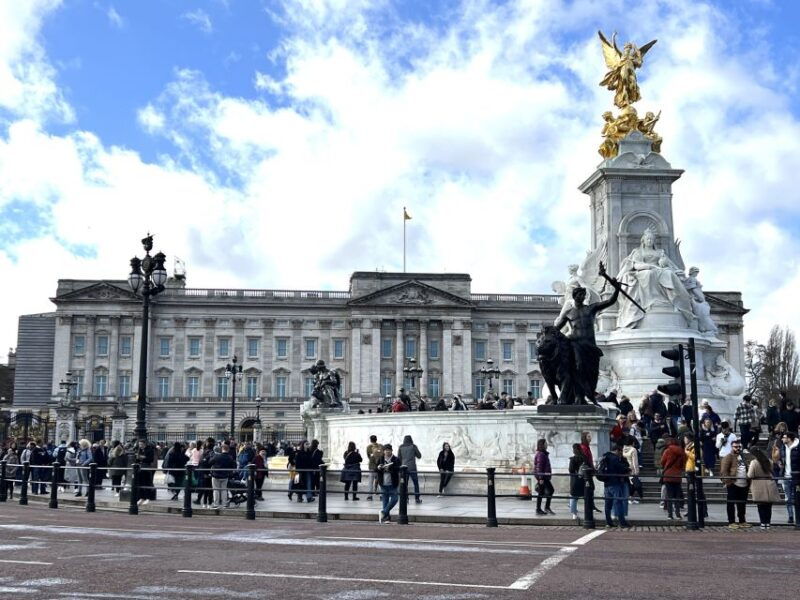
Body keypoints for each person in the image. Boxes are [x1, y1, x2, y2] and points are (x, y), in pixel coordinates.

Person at [720, 439, 751, 529]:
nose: (738, 448)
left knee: (742, 503)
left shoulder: (743, 456)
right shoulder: (728, 457)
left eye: (739, 447)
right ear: (732, 447)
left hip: (744, 483)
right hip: (733, 483)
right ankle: (731, 521)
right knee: (731, 503)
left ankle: (742, 521)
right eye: (736, 447)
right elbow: (724, 471)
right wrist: (728, 482)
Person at [600, 442, 631, 528]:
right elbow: (620, 468)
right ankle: (622, 522)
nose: (621, 454)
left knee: (608, 504)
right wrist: (628, 469)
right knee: (618, 502)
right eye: (620, 452)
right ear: (617, 450)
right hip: (615, 483)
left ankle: (608, 522)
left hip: (607, 483)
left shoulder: (605, 456)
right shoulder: (615, 458)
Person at [748, 447, 780, 529]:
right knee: (768, 506)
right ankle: (768, 523)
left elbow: (750, 475)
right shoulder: (768, 461)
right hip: (769, 483)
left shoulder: (754, 462)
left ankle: (763, 523)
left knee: (761, 506)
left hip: (758, 484)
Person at [660, 437, 686, 520]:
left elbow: (662, 461)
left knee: (669, 496)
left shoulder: (667, 450)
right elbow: (683, 463)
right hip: (677, 475)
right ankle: (678, 514)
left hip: (668, 475)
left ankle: (670, 515)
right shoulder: (681, 451)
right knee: (677, 496)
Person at [376, 444, 400, 524]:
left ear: (391, 450)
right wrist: (378, 467)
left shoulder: (396, 459)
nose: (387, 451)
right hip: (383, 483)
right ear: (383, 451)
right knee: (385, 501)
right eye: (386, 450)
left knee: (395, 498)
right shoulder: (381, 459)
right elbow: (375, 469)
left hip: (392, 483)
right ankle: (386, 518)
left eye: (389, 450)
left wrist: (390, 468)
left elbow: (398, 469)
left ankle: (384, 512)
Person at [209, 443, 237, 508]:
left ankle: (216, 504)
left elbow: (210, 462)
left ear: (222, 449)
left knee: (216, 490)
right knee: (224, 490)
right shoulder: (230, 457)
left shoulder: (217, 456)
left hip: (216, 475)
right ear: (228, 450)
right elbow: (233, 466)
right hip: (225, 475)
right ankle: (224, 504)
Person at [398, 435, 422, 503]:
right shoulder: (413, 446)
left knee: (405, 484)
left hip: (404, 468)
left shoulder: (401, 447)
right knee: (416, 483)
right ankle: (417, 498)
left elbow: (399, 458)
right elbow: (419, 456)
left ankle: (406, 498)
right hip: (412, 468)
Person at [782, 431, 799, 524]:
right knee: (788, 498)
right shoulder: (783, 447)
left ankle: (798, 517)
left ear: (789, 438)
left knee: (797, 497)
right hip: (786, 476)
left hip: (796, 476)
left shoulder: (798, 447)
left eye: (784, 437)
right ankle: (791, 516)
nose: (782, 439)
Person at [534, 439, 555, 516]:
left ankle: (543, 508)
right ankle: (541, 508)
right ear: (542, 445)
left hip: (544, 476)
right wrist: (540, 478)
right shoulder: (541, 455)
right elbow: (539, 467)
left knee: (542, 492)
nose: (547, 444)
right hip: (543, 477)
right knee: (546, 491)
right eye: (545, 443)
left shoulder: (543, 454)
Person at [135, 439, 156, 504]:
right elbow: (137, 460)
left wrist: (142, 457)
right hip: (140, 468)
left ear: (145, 444)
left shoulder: (150, 450)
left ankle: (147, 497)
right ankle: (141, 497)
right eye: (139, 444)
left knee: (147, 482)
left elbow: (150, 459)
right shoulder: (139, 450)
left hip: (146, 468)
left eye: (141, 444)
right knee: (140, 483)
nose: (140, 446)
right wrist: (137, 458)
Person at [568, 444, 586, 520]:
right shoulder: (584, 458)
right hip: (583, 479)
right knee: (586, 497)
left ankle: (574, 514)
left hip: (575, 480)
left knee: (573, 497)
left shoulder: (573, 459)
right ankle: (588, 514)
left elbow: (571, 470)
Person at [622, 435, 642, 504]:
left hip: (625, 468)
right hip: (632, 469)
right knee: (633, 484)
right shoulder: (633, 450)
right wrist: (636, 471)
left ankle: (630, 498)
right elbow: (635, 461)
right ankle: (631, 498)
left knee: (628, 484)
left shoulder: (623, 449)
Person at [365, 435, 383, 501]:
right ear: (376, 439)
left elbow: (368, 456)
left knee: (371, 482)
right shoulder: (380, 446)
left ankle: (370, 496)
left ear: (370, 440)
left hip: (372, 466)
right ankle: (382, 496)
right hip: (379, 466)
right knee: (380, 481)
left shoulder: (369, 447)